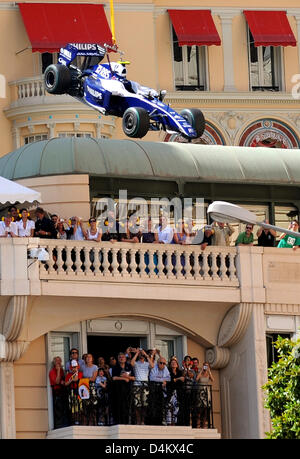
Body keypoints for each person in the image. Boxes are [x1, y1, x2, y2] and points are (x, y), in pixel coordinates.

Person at [131, 348, 154, 425]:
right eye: (141, 354)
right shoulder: (136, 363)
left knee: (145, 404)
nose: (142, 355)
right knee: (137, 404)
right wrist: (137, 353)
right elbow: (131, 363)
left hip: (145, 385)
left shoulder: (147, 363)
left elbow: (152, 365)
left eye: (142, 354)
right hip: (137, 385)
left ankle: (143, 420)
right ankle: (138, 420)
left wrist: (146, 355)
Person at [111, 352, 135, 425]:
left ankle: (128, 422)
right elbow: (114, 378)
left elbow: (134, 378)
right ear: (118, 359)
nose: (121, 358)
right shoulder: (115, 367)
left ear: (125, 358)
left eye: (123, 357)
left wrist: (128, 377)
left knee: (128, 406)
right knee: (119, 406)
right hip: (118, 390)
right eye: (120, 357)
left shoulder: (129, 366)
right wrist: (124, 378)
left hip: (128, 389)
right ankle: (119, 422)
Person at [148, 357, 171, 425]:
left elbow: (169, 378)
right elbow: (152, 378)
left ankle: (160, 421)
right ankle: (153, 422)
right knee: (153, 406)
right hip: (154, 389)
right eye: (161, 363)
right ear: (157, 363)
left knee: (161, 406)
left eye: (164, 363)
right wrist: (162, 380)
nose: (162, 364)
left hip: (161, 390)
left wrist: (158, 378)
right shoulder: (154, 367)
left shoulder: (165, 368)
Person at [49, 356, 68, 428]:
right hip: (57, 393)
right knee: (58, 411)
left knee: (64, 410)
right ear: (54, 363)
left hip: (63, 392)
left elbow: (64, 381)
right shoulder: (52, 372)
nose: (59, 362)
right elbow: (57, 382)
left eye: (60, 361)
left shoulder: (62, 371)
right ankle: (59, 426)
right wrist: (58, 371)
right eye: (57, 361)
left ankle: (64, 425)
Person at [166, 356, 184, 426]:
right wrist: (177, 379)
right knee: (169, 407)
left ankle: (174, 422)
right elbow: (169, 381)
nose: (173, 364)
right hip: (170, 391)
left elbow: (182, 381)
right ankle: (169, 422)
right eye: (172, 363)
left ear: (177, 364)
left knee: (176, 407)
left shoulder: (179, 372)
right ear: (170, 364)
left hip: (178, 392)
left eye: (175, 363)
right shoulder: (168, 372)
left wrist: (176, 379)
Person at [195, 362, 214, 428]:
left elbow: (212, 380)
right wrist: (201, 371)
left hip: (206, 392)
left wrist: (209, 371)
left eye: (207, 366)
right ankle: (198, 424)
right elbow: (197, 379)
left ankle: (203, 424)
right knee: (199, 408)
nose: (206, 367)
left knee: (206, 408)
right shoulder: (200, 372)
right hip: (200, 392)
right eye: (204, 366)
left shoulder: (208, 373)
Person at [65, 359, 83, 425]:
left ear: (77, 367)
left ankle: (79, 420)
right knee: (72, 406)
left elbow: (76, 379)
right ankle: (73, 421)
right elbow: (66, 383)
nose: (74, 369)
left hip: (79, 392)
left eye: (75, 367)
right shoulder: (68, 375)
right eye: (73, 368)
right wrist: (71, 380)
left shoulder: (80, 373)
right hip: (71, 392)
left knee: (79, 406)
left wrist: (72, 378)